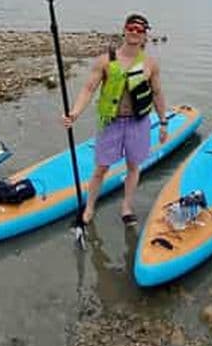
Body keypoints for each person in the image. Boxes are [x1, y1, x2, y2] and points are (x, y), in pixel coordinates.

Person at [62, 13, 169, 226]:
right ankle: (90, 206)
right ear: (124, 30)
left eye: (140, 30)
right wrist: (74, 113)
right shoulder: (106, 60)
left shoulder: (150, 64)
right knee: (101, 168)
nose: (135, 32)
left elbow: (157, 93)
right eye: (131, 28)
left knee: (133, 166)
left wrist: (163, 122)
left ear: (145, 35)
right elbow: (89, 88)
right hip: (110, 121)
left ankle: (127, 207)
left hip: (138, 122)